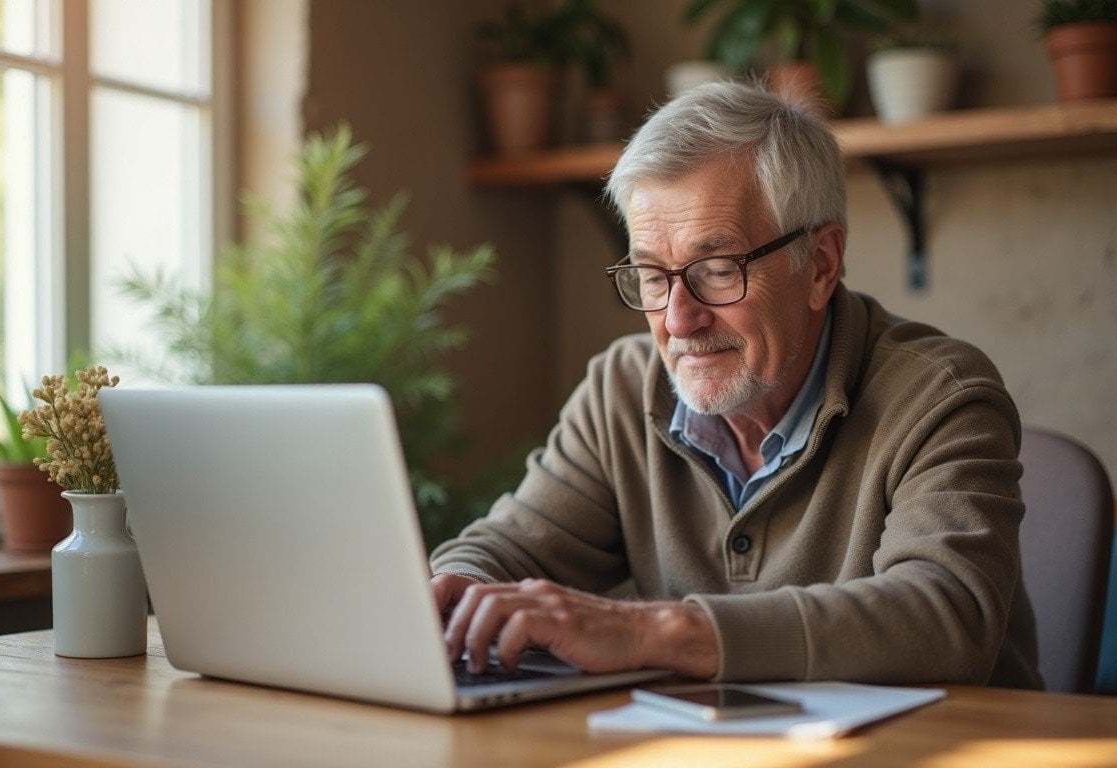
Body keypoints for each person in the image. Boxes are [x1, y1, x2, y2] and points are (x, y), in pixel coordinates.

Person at [431, 81, 1042, 689]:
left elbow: (943, 621)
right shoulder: (621, 389)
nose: (677, 320)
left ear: (821, 265)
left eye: (718, 271)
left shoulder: (942, 397)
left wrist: (650, 633)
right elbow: (510, 548)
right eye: (650, 275)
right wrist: (457, 593)